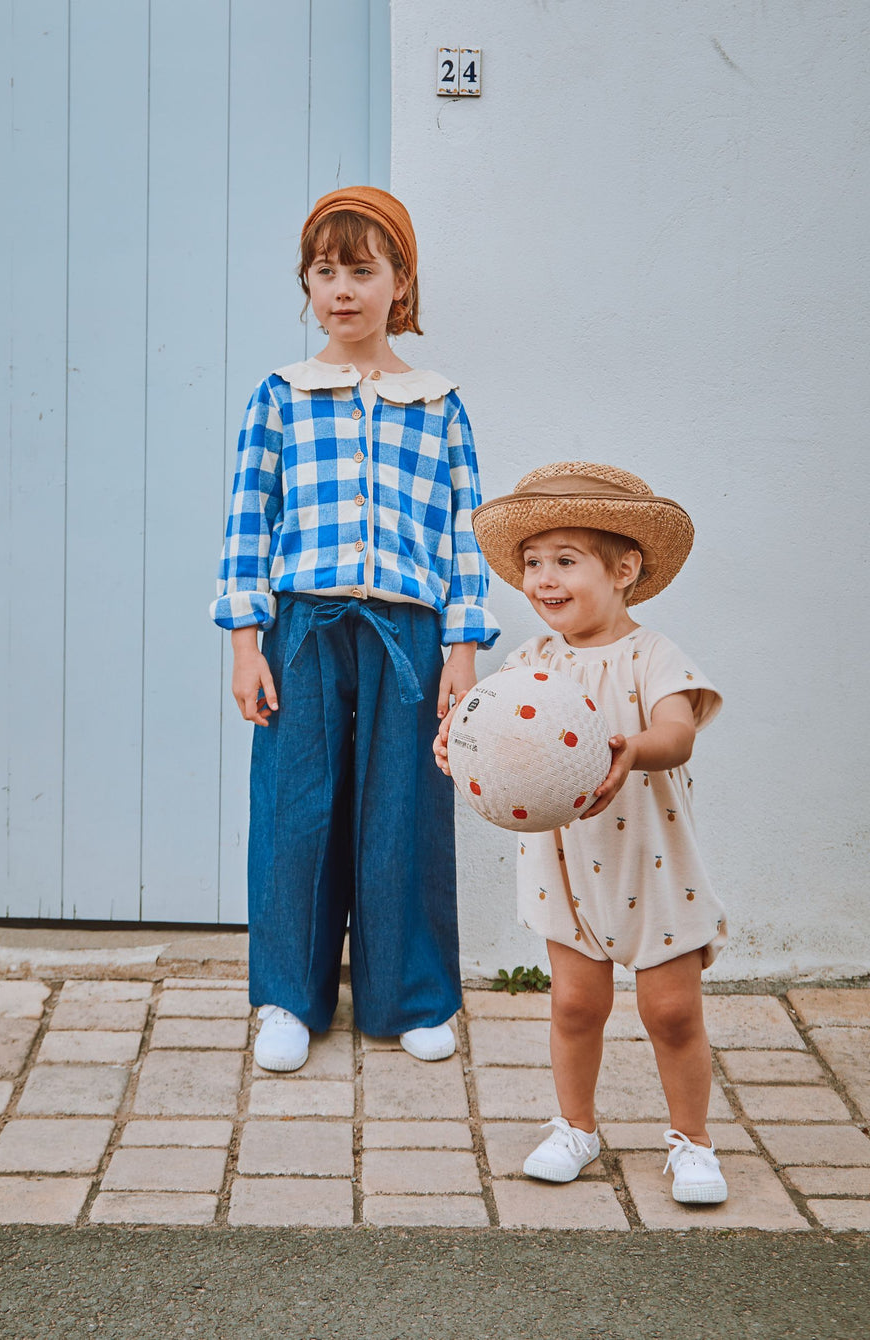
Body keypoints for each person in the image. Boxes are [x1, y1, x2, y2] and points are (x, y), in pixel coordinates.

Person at [211, 187, 500, 1073]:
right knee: (296, 810)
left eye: (363, 270)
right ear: (306, 282)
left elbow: (468, 531)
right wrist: (245, 641)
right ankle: (288, 1000)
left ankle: (407, 996)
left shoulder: (439, 404)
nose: (343, 288)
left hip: (410, 642)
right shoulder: (280, 398)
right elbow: (248, 522)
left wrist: (462, 653)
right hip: (302, 630)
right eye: (325, 270)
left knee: (404, 808)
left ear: (399, 283)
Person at [434, 461, 729, 1204]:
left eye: (566, 560)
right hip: (565, 866)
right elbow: (489, 733)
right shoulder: (533, 664)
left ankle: (692, 1141)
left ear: (624, 568)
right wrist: (457, 745)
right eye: (533, 563)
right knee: (573, 1004)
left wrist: (628, 749)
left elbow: (677, 732)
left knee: (670, 1012)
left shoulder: (651, 656)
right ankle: (576, 1126)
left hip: (652, 867)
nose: (543, 578)